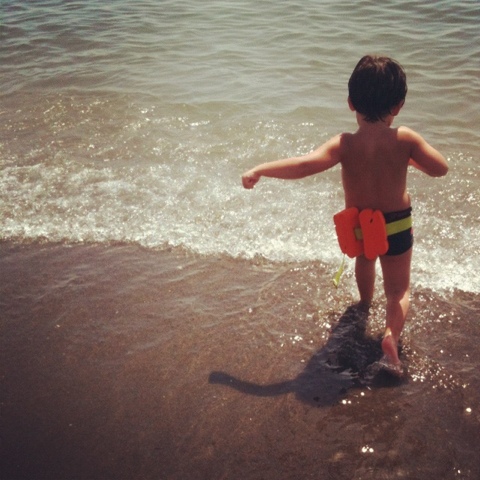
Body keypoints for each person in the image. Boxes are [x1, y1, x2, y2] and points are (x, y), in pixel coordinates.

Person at [241, 55, 448, 374]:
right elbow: (440, 168)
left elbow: (304, 165)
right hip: (396, 224)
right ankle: (390, 337)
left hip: (361, 224)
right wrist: (409, 159)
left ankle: (364, 305)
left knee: (364, 261)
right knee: (398, 290)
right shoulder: (405, 139)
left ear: (351, 103)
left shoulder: (344, 144)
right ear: (398, 106)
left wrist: (261, 169)